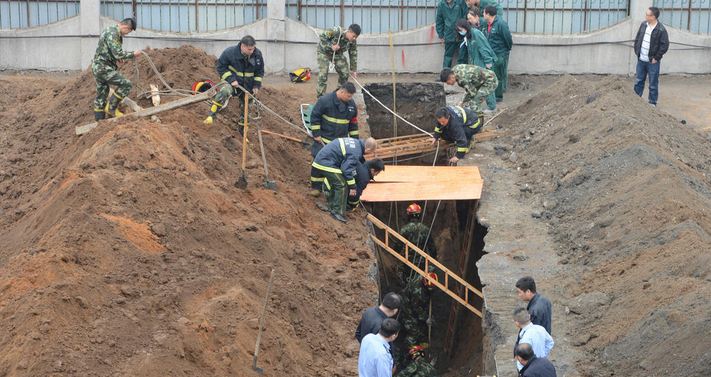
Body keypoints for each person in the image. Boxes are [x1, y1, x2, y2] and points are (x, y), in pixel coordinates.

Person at [204, 35, 264, 136]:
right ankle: (211, 117)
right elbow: (220, 67)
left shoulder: (257, 54)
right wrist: (231, 80)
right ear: (242, 46)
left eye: (253, 49)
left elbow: (260, 71)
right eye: (249, 49)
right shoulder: (230, 52)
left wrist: (256, 85)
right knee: (224, 92)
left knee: (246, 110)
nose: (252, 51)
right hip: (232, 83)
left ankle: (243, 134)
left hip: (248, 86)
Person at [309, 82, 360, 196]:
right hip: (324, 140)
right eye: (348, 96)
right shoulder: (325, 100)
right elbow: (315, 116)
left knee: (337, 165)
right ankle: (316, 187)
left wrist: (355, 141)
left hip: (340, 144)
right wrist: (316, 134)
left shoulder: (351, 106)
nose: (349, 99)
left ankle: (330, 188)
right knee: (318, 162)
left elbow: (353, 124)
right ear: (341, 92)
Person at [312, 137, 377, 223]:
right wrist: (353, 187)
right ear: (368, 149)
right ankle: (336, 212)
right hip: (324, 162)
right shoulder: (356, 152)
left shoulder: (356, 144)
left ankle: (331, 205)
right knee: (342, 184)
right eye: (371, 152)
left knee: (339, 180)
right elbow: (346, 169)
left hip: (323, 159)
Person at [92, 18, 142, 120]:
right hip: (104, 68)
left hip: (97, 67)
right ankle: (111, 107)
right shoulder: (114, 34)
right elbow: (118, 53)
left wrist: (116, 58)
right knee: (126, 84)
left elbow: (107, 49)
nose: (127, 34)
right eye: (128, 32)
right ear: (125, 27)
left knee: (101, 96)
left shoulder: (109, 30)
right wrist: (133, 54)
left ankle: (99, 125)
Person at [439, 66, 497, 133]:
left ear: (452, 77)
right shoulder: (455, 71)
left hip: (490, 81)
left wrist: (462, 103)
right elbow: (469, 89)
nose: (448, 84)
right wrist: (462, 102)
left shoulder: (462, 78)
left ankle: (479, 128)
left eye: (447, 82)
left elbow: (471, 93)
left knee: (474, 103)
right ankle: (474, 122)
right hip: (481, 80)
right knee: (471, 103)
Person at [460, 13, 498, 114]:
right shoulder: (469, 36)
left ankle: (492, 106)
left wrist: (488, 62)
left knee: (487, 84)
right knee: (475, 84)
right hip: (476, 63)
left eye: (461, 29)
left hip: (484, 62)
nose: (461, 32)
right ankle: (472, 105)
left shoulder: (476, 33)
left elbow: (483, 48)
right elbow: (471, 52)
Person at [633, 7, 669, 107]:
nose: (645, 16)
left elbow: (664, 45)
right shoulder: (643, 25)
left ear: (653, 17)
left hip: (652, 62)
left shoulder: (660, 29)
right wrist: (637, 51)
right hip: (641, 60)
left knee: (653, 84)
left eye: (647, 14)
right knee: (639, 81)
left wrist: (656, 58)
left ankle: (652, 103)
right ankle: (635, 100)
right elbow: (637, 39)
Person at [316, 24, 360, 99]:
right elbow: (322, 36)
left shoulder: (352, 41)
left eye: (356, 37)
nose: (354, 38)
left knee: (345, 72)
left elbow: (353, 54)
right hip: (324, 52)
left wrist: (354, 70)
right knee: (323, 73)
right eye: (353, 36)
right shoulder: (336, 31)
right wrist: (331, 46)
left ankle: (339, 94)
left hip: (337, 54)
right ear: (349, 32)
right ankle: (321, 97)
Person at [397, 203, 438, 281]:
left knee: (408, 281)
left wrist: (395, 254)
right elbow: (431, 246)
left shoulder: (405, 229)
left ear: (409, 214)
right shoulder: (425, 229)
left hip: (408, 261)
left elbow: (399, 245)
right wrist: (434, 257)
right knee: (420, 281)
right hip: (422, 262)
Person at [481, 6, 513, 105]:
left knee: (499, 75)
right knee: (492, 75)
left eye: (484, 13)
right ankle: (493, 94)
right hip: (492, 54)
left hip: (500, 54)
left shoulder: (501, 24)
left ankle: (499, 97)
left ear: (488, 14)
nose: (483, 15)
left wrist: (506, 50)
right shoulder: (488, 24)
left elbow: (508, 38)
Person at [402, 272, 437, 351]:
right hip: (409, 307)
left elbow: (431, 268)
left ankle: (421, 335)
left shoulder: (427, 274)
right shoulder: (417, 292)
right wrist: (426, 318)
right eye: (429, 288)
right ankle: (410, 347)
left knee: (422, 323)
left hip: (417, 302)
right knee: (414, 329)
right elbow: (417, 309)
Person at [513, 308, 554, 372]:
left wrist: (521, 371)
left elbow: (521, 359)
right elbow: (550, 342)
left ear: (517, 323)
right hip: (542, 365)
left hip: (530, 369)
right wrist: (543, 356)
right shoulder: (540, 329)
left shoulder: (524, 339)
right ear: (529, 316)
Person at [436, 0, 468, 68]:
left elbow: (466, 15)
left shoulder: (460, 2)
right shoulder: (441, 4)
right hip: (448, 33)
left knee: (463, 54)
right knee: (448, 55)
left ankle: (462, 73)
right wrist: (441, 35)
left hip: (461, 33)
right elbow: (439, 20)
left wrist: (465, 29)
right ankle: (446, 74)